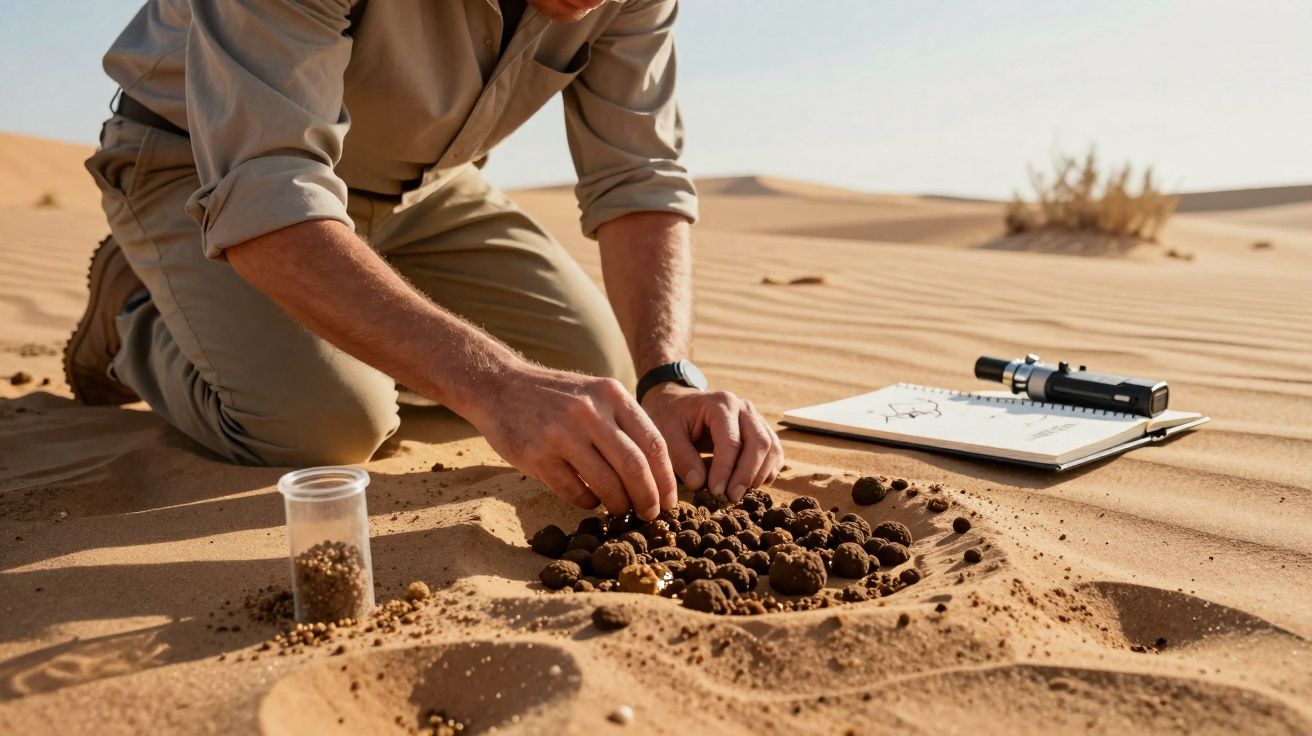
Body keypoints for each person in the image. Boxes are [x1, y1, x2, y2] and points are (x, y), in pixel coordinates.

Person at [66, 0, 784, 521]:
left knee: (600, 372)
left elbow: (639, 175)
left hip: (421, 189)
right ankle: (140, 308)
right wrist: (495, 384)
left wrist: (668, 377)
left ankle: (326, 322)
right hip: (202, 167)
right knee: (330, 424)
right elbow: (266, 192)